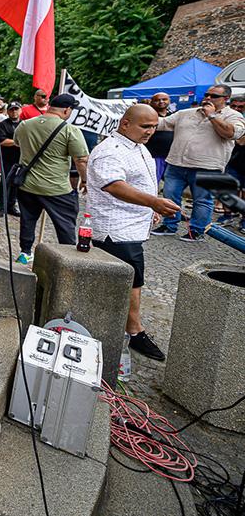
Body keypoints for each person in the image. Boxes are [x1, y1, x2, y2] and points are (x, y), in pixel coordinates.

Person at [86, 105, 180, 363]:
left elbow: (140, 182)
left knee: (129, 280)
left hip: (131, 227)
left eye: (154, 127)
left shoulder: (137, 146)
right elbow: (114, 186)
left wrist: (150, 208)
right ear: (125, 124)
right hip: (115, 230)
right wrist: (153, 202)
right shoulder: (110, 151)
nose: (150, 131)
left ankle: (118, 327)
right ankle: (133, 331)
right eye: (145, 126)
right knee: (132, 282)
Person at [150, 84, 245, 241]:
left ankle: (197, 231)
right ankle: (169, 225)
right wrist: (141, 114)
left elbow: (231, 133)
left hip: (207, 167)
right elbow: (162, 123)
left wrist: (212, 116)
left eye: (214, 96)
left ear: (226, 99)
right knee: (169, 196)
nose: (208, 98)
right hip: (176, 163)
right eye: (207, 94)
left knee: (202, 201)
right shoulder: (186, 113)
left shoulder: (233, 116)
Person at [12, 94, 89, 264]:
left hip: (27, 185)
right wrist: (84, 180)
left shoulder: (25, 125)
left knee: (28, 220)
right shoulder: (70, 130)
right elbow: (81, 159)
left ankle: (25, 252)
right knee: (65, 225)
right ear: (67, 110)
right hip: (57, 189)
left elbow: (17, 143)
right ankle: (69, 258)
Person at [217, 94, 245, 229]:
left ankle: (243, 220)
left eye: (240, 107)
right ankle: (228, 215)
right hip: (233, 159)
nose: (237, 109)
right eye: (234, 106)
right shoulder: (229, 118)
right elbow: (240, 140)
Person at [0, 102, 22, 215]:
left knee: (16, 184)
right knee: (5, 183)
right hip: (6, 159)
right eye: (11, 110)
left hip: (21, 159)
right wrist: (17, 143)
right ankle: (1, 207)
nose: (14, 112)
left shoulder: (24, 124)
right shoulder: (2, 125)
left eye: (16, 109)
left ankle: (11, 206)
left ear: (20, 110)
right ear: (8, 112)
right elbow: (2, 141)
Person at [145, 92, 173, 183]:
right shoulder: (147, 116)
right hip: (154, 156)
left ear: (169, 101)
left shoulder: (174, 116)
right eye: (157, 100)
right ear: (151, 102)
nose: (161, 102)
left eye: (164, 99)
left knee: (170, 183)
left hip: (171, 157)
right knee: (153, 182)